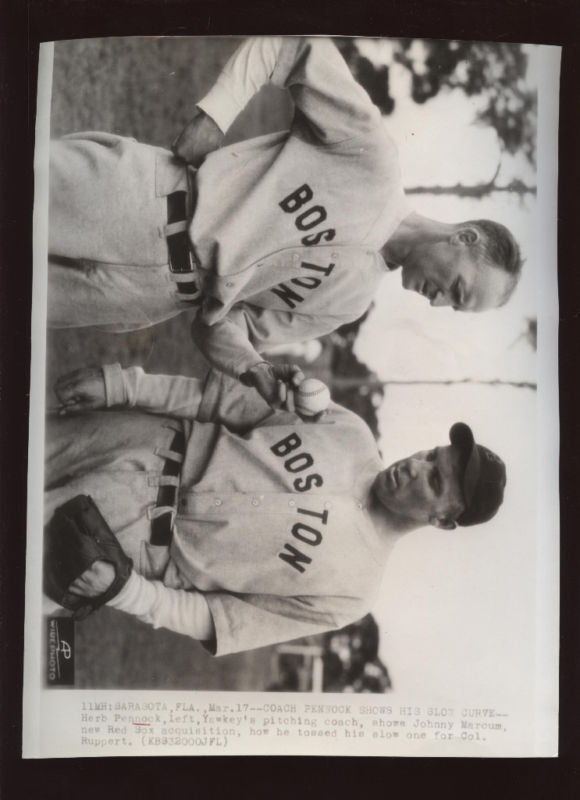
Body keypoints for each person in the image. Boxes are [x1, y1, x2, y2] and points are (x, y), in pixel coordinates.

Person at [48, 37, 522, 407]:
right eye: (456, 290)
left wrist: (253, 367)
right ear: (464, 237)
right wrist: (216, 114)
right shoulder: (373, 161)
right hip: (144, 201)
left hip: (145, 298)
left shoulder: (349, 304)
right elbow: (295, 43)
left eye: (454, 307)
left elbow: (219, 326)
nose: (438, 303)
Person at [45, 363, 507, 656]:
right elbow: (220, 402)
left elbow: (215, 619)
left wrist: (123, 590)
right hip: (144, 439)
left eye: (433, 478)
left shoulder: (353, 593)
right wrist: (123, 386)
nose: (414, 464)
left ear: (442, 520)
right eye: (430, 454)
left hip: (124, 540)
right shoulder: (353, 433)